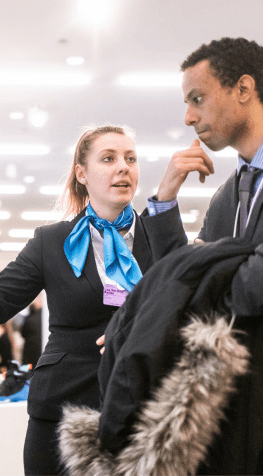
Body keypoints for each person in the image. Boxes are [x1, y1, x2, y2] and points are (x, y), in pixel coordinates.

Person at [0, 125, 188, 475]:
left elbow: (184, 306)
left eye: (131, 159)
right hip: (62, 407)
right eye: (108, 159)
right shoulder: (52, 242)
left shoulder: (160, 236)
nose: (123, 167)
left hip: (142, 409)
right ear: (82, 174)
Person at [143, 37, 263, 474]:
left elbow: (255, 287)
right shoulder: (229, 195)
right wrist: (164, 200)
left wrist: (206, 285)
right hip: (236, 412)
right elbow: (182, 280)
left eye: (198, 99)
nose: (188, 117)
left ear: (243, 89)